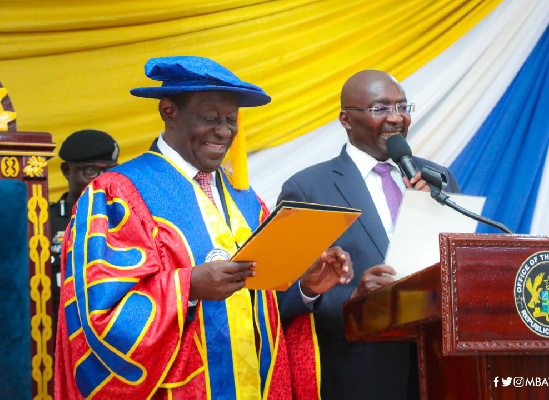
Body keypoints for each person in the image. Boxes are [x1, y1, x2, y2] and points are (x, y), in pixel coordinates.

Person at [54, 56, 353, 400]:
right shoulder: (119, 193)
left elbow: (263, 303)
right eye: (210, 118)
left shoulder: (244, 200)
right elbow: (97, 315)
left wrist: (306, 286)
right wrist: (188, 287)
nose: (225, 131)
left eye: (231, 119)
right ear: (169, 111)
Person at [277, 69, 461, 400]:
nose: (396, 118)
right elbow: (283, 293)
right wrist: (354, 303)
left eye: (402, 106)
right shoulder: (309, 188)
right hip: (359, 375)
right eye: (380, 109)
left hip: (441, 366)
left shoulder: (436, 178)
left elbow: (459, 261)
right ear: (346, 119)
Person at [49, 129, 119, 339]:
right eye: (90, 170)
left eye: (108, 171)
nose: (100, 180)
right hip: (56, 335)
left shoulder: (124, 220)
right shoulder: (41, 221)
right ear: (66, 170)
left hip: (110, 338)